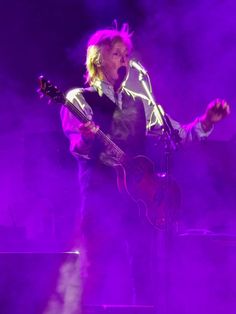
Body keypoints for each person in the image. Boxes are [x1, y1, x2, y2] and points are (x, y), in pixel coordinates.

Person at [60, 23, 230, 309]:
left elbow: (176, 135)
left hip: (139, 201)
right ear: (97, 58)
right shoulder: (79, 98)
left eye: (126, 55)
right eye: (116, 54)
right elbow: (76, 146)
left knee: (144, 269)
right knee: (97, 271)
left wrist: (206, 122)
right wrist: (88, 139)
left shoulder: (141, 102)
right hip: (101, 197)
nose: (125, 60)